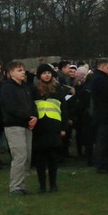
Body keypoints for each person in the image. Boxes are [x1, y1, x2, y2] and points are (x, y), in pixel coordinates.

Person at [1, 61, 37, 195]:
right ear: (11, 73)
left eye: (23, 69)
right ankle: (15, 187)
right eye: (19, 70)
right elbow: (11, 107)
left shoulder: (26, 87)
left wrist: (35, 116)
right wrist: (28, 117)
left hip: (27, 125)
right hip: (14, 126)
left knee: (27, 156)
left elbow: (32, 104)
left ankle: (22, 185)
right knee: (20, 156)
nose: (23, 72)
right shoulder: (7, 88)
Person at [32, 63, 68, 193]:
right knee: (40, 159)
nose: (47, 75)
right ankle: (42, 186)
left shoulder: (58, 89)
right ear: (39, 75)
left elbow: (64, 109)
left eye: (48, 73)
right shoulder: (34, 89)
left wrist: (64, 127)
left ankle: (53, 184)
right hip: (39, 128)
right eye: (44, 73)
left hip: (54, 127)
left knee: (53, 157)